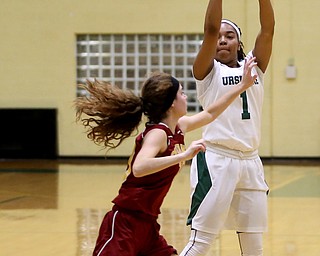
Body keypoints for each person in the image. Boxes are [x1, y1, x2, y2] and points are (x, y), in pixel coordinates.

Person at [75, 57, 257, 256]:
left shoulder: (179, 127)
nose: (186, 96)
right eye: (181, 93)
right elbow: (140, 167)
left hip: (148, 225)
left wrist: (242, 86)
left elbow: (211, 113)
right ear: (171, 103)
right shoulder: (158, 133)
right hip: (125, 224)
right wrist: (184, 156)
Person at [180, 0, 275, 255]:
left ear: (239, 44)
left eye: (229, 36)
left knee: (254, 249)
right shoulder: (207, 73)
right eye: (219, 37)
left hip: (251, 162)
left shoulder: (254, 68)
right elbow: (210, 29)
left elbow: (268, 30)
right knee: (201, 243)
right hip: (217, 160)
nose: (222, 40)